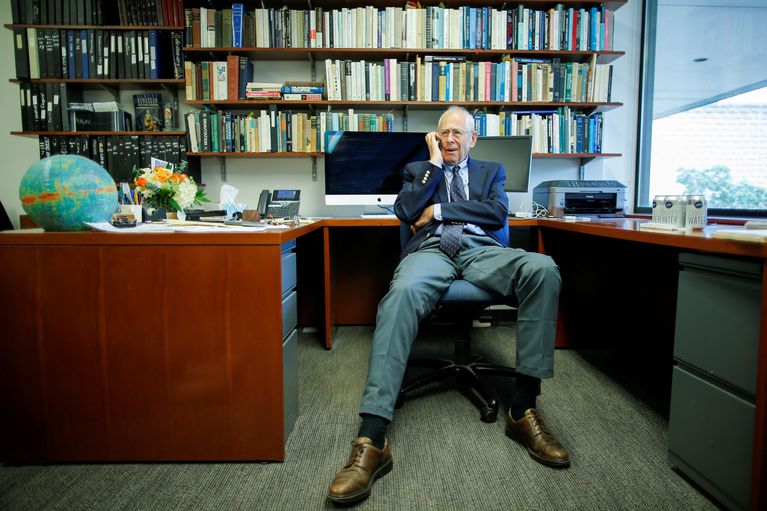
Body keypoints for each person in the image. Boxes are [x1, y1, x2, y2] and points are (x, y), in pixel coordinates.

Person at [327, 106, 568, 505]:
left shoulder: (492, 171)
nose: (451, 139)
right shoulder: (419, 169)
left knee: (542, 268)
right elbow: (405, 211)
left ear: (473, 139)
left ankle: (522, 411)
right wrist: (434, 165)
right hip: (431, 250)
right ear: (435, 138)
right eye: (443, 134)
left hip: (481, 250)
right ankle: (372, 437)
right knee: (399, 296)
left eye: (458, 133)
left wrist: (439, 209)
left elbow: (495, 213)